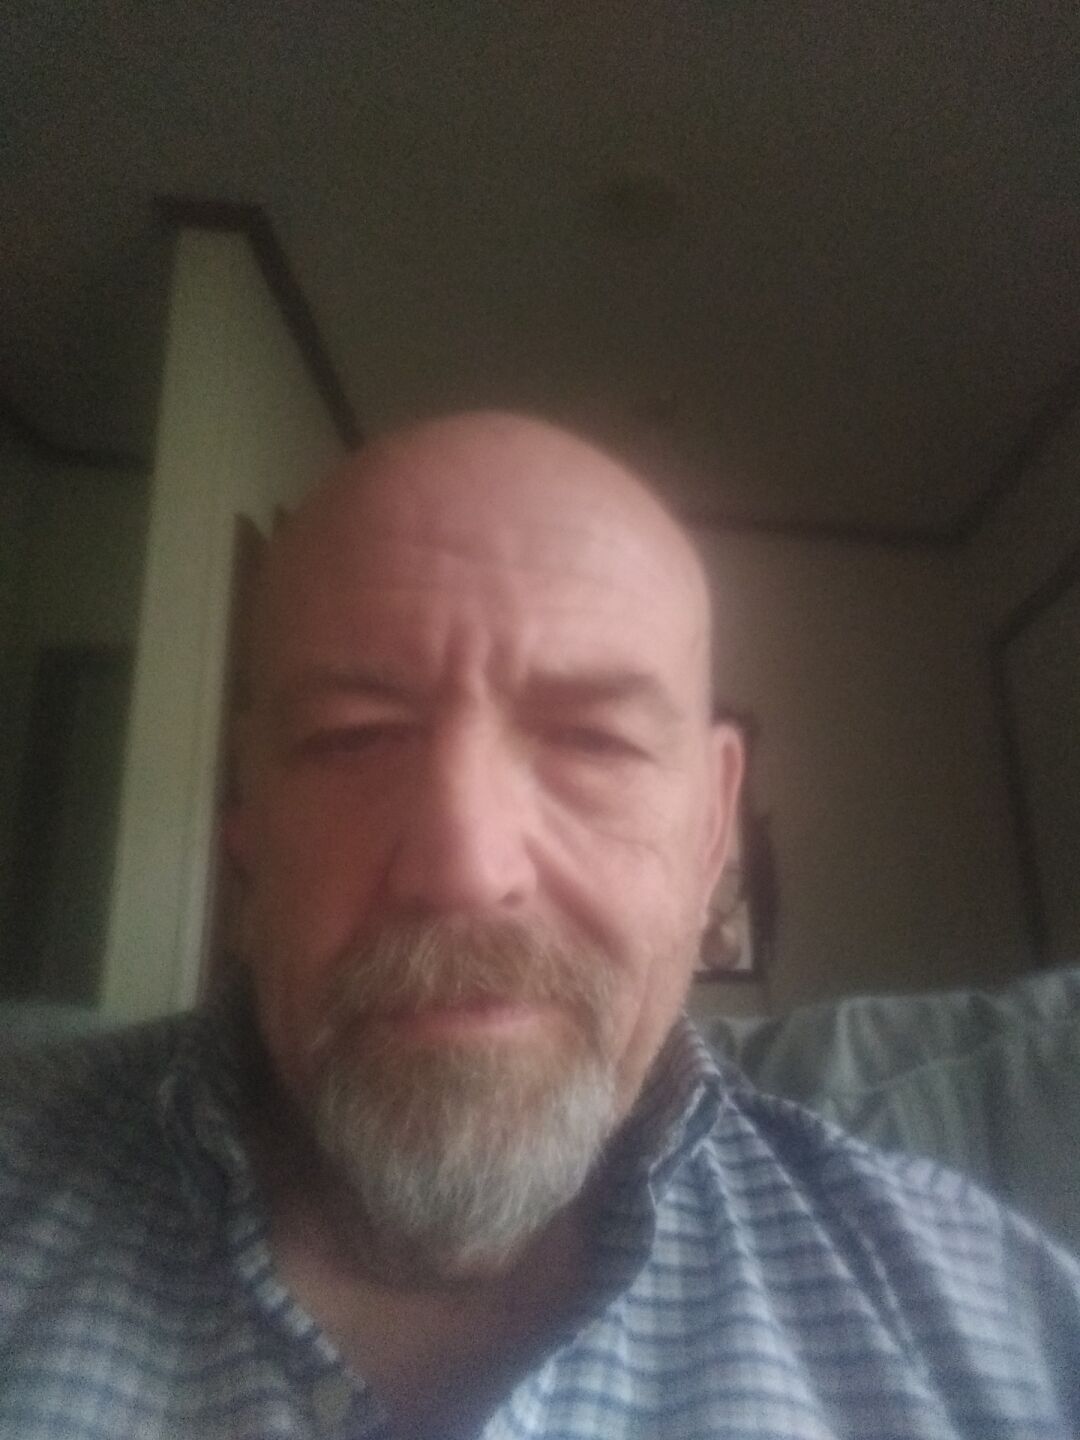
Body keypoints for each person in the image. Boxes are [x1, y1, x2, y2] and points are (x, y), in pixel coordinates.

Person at [1, 411, 1077, 1440]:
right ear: (248, 812)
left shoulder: (996, 1324)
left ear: (712, 825)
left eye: (594, 743)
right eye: (352, 735)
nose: (466, 869)